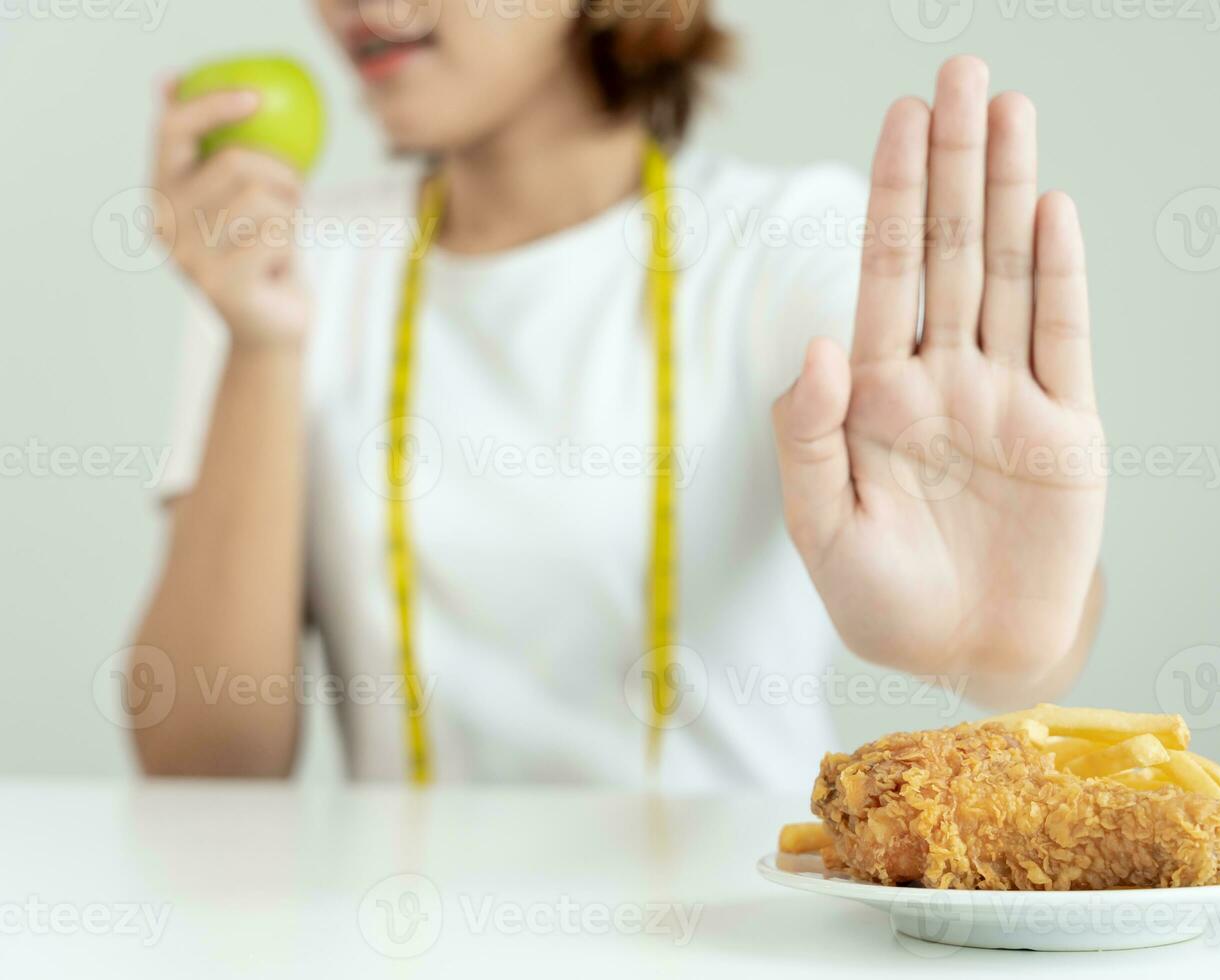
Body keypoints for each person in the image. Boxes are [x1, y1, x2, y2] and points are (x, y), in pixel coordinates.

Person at [132, 0, 1107, 790]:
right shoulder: (283, 261)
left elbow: (1013, 612)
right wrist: (260, 340)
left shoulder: (784, 245)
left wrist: (993, 642)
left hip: (735, 937)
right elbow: (204, 763)